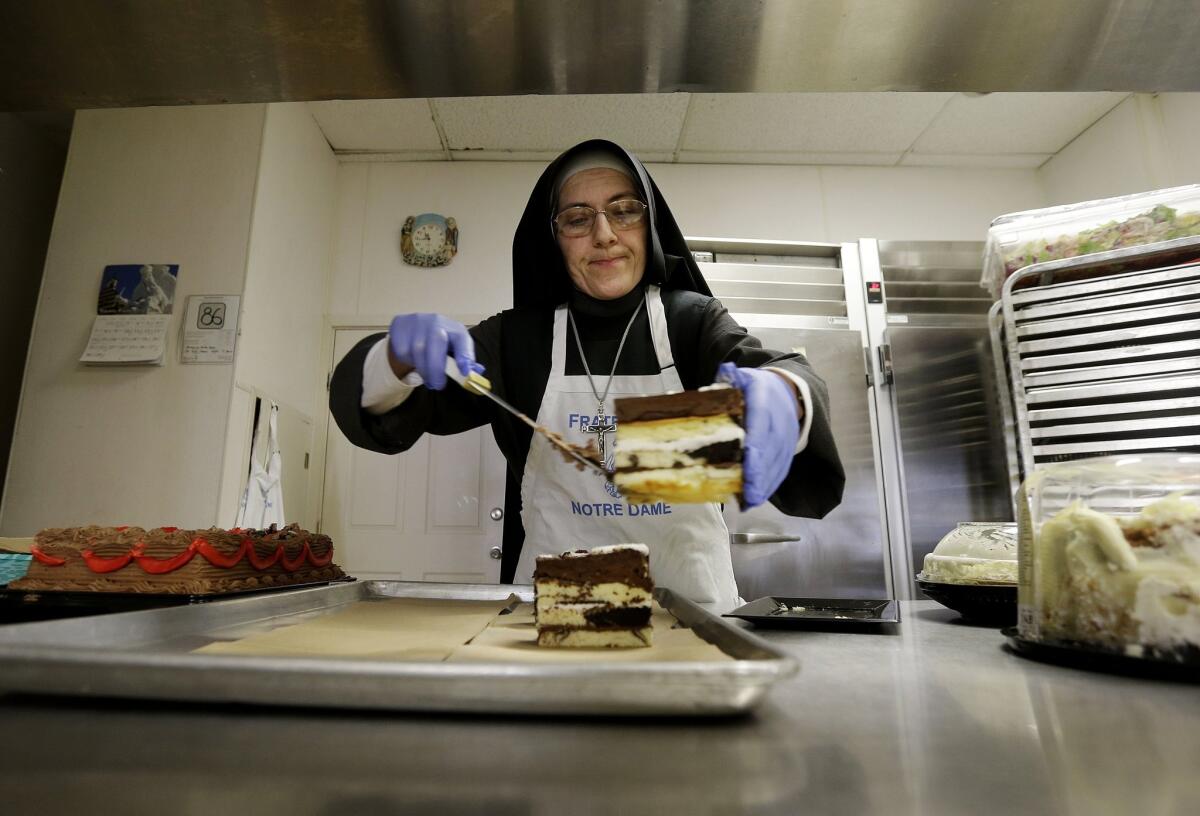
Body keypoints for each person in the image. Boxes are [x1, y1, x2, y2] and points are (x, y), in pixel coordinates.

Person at [330, 139, 844, 609]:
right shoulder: (516, 341)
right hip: (568, 614)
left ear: (649, 224)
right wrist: (391, 360)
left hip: (691, 610)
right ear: (554, 238)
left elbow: (782, 371)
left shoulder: (690, 322)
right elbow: (397, 416)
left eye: (624, 212)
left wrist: (786, 394)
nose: (604, 235)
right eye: (578, 218)